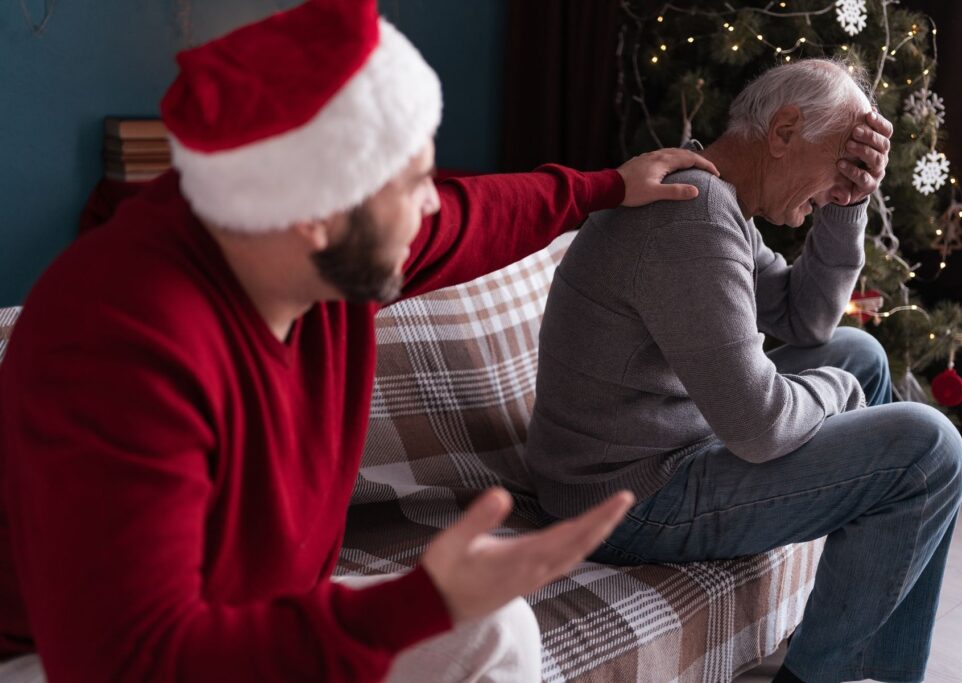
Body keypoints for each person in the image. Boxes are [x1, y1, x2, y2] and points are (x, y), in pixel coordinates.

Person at [0, 1, 722, 681]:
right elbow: (132, 658)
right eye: (413, 183)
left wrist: (606, 187)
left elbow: (473, 215)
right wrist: (419, 603)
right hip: (73, 659)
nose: (431, 201)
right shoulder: (118, 344)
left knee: (496, 627)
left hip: (252, 621)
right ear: (318, 217)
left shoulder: (308, 247)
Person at [525, 59, 962, 683]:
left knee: (860, 353)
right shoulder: (691, 213)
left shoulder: (714, 197)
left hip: (643, 457)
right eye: (841, 162)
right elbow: (759, 427)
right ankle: (821, 675)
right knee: (929, 449)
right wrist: (835, 390)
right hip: (622, 499)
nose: (840, 180)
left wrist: (847, 206)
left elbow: (806, 319)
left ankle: (865, 662)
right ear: (783, 132)